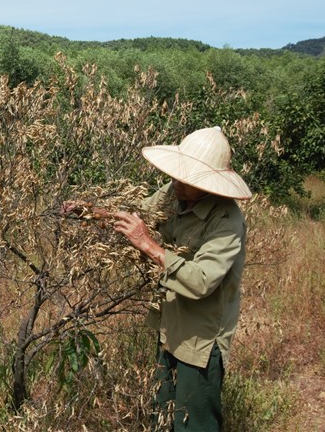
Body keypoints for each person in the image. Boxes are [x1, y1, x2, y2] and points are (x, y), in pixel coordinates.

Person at [110, 127, 250, 430]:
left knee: (193, 423)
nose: (175, 183)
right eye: (176, 175)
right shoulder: (175, 193)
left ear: (208, 185)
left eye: (186, 179)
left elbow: (201, 280)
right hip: (169, 327)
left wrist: (148, 245)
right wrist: (92, 211)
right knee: (162, 416)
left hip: (201, 339)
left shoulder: (226, 221)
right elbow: (138, 213)